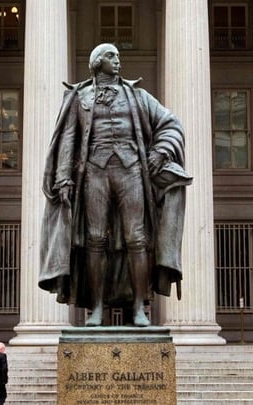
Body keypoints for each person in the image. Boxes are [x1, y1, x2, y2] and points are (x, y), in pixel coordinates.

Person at [39, 43, 191, 327]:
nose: (118, 61)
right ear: (97, 62)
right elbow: (68, 139)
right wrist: (63, 177)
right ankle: (95, 308)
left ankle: (139, 308)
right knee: (95, 240)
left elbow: (171, 124)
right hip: (94, 172)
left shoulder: (138, 96)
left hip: (132, 171)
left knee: (137, 239)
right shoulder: (79, 97)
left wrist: (161, 150)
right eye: (111, 56)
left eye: (118, 56)